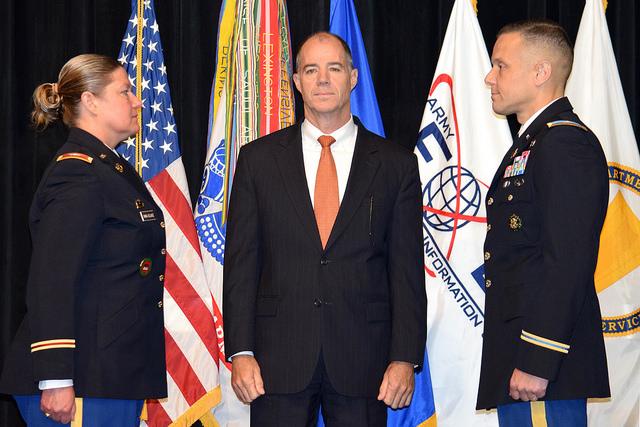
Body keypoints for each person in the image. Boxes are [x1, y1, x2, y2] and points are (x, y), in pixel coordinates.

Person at [223, 32, 427, 426]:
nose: (322, 80)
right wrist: (241, 352)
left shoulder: (395, 164)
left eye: (333, 68)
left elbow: (405, 271)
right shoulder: (257, 160)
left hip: (364, 360)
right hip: (276, 361)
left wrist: (404, 357)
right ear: (296, 81)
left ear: (352, 77)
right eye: (310, 70)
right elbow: (242, 265)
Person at [0, 54, 167, 425]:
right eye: (125, 91)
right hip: (80, 377)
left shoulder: (109, 169)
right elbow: (52, 281)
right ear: (91, 101)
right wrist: (56, 377)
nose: (138, 100)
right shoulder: (79, 174)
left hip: (108, 372)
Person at [477, 20, 610, 425]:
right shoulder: (535, 144)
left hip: (543, 370)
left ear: (540, 72)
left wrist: (539, 357)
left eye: (501, 66)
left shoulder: (564, 144)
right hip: (524, 361)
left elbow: (566, 260)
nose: (489, 77)